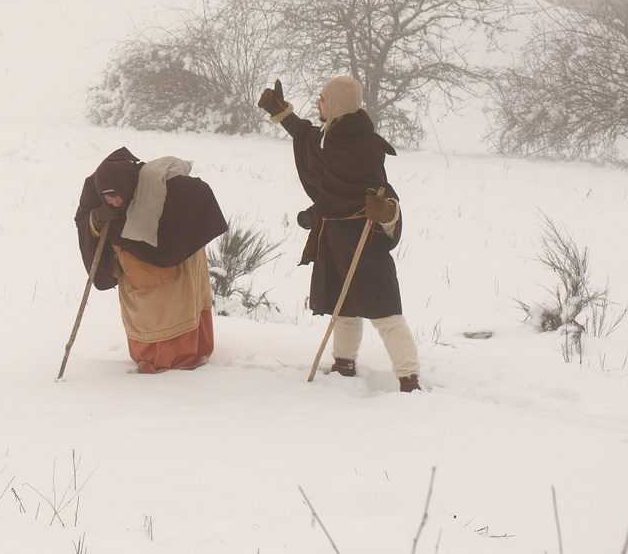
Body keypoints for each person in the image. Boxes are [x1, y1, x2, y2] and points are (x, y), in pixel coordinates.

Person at [259, 75, 421, 391]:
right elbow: (304, 135)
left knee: (386, 313)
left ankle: (409, 377)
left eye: (322, 98)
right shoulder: (328, 137)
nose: (317, 102)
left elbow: (380, 192)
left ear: (337, 105)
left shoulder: (363, 146)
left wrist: (386, 211)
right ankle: (343, 364)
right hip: (333, 238)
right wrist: (281, 112)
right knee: (343, 306)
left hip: (364, 240)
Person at [74, 147, 228, 373]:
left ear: (126, 187)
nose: (115, 202)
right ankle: (151, 354)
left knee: (177, 302)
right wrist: (96, 219)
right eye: (109, 198)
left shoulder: (153, 182)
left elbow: (195, 194)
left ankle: (186, 352)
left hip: (178, 259)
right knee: (150, 309)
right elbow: (82, 220)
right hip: (135, 265)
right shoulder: (93, 189)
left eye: (118, 196)